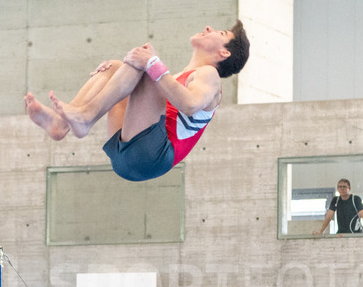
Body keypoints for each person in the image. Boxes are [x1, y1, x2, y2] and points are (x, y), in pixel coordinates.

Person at [25, 23, 250, 182]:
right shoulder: (181, 76)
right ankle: (61, 125)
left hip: (153, 155)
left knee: (144, 65)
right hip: (128, 155)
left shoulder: (209, 75)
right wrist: (115, 77)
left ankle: (84, 117)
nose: (209, 27)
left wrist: (152, 63)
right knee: (115, 66)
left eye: (220, 32)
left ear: (224, 52)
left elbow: (190, 105)